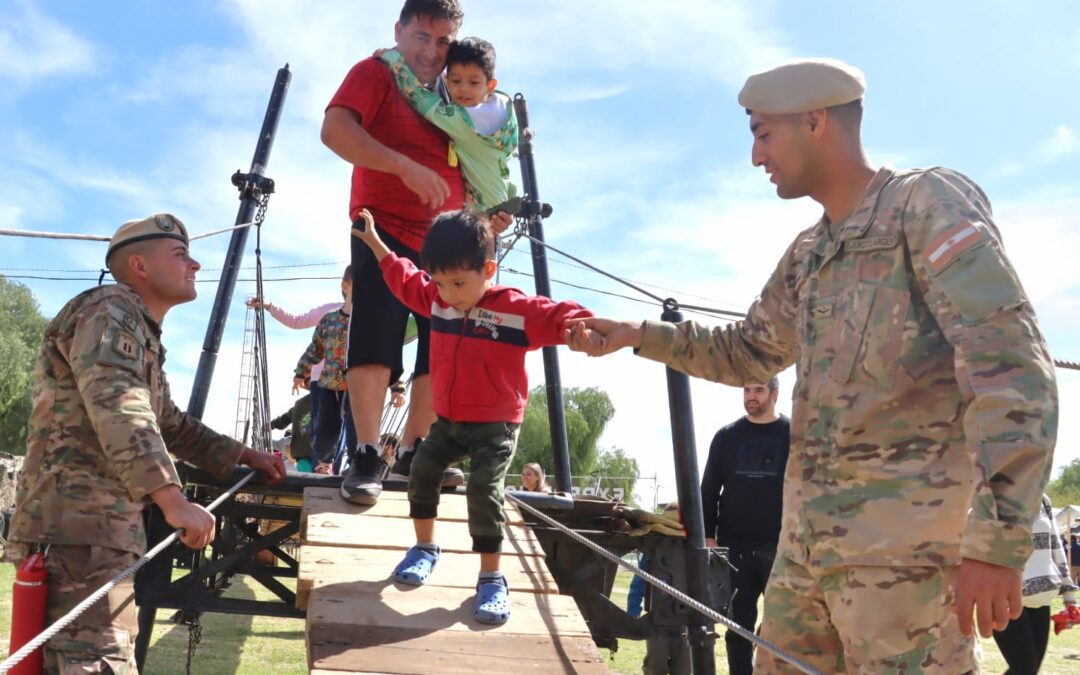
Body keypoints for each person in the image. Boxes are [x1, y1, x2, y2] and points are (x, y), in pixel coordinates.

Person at [565, 58, 1058, 672]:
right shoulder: (809, 253)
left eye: (763, 133)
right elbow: (747, 350)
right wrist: (641, 334)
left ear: (816, 121)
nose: (755, 156)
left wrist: (998, 540)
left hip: (905, 570)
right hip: (804, 570)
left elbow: (1012, 369)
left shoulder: (924, 206)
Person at [3, 214, 286, 672]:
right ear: (139, 264)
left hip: (98, 530)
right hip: (77, 531)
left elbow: (169, 423)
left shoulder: (137, 327)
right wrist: (174, 501)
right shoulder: (109, 308)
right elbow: (119, 403)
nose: (195, 264)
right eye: (180, 255)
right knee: (98, 663)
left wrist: (244, 455)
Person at [351, 207, 591, 624]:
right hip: (448, 421)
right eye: (440, 282)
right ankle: (425, 548)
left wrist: (583, 326)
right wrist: (373, 240)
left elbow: (557, 315)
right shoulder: (438, 300)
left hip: (495, 425)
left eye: (459, 282)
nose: (447, 293)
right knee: (421, 469)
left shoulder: (513, 310)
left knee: (483, 488)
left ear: (489, 270)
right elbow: (403, 276)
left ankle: (491, 577)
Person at [322, 0, 485, 506]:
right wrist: (402, 167)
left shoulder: (460, 89)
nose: (432, 52)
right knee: (376, 332)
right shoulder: (375, 72)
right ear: (399, 30)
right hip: (381, 226)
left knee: (443, 343)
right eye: (421, 37)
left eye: (443, 41)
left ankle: (417, 452)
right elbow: (335, 130)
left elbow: (485, 156)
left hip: (448, 237)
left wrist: (488, 211)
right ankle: (368, 454)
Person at [700, 378, 789, 675]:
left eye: (759, 390)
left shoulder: (792, 435)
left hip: (781, 548)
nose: (752, 397)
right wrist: (708, 536)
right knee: (738, 627)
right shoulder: (727, 437)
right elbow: (709, 489)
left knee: (785, 628)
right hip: (734, 548)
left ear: (775, 393)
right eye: (747, 390)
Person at [379, 36, 518, 211]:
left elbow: (420, 99)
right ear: (447, 80)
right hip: (499, 196)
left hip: (482, 213)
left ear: (490, 85)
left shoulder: (464, 121)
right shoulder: (504, 108)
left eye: (473, 82)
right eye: (456, 81)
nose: (464, 89)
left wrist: (394, 61)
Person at [993, 494, 1071, 674]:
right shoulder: (992, 494)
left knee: (1028, 670)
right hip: (1006, 598)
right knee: (1025, 670)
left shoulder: (1043, 500)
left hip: (1041, 598)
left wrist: (1068, 594)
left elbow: (1055, 544)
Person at [294, 266, 359, 475]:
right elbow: (316, 349)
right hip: (330, 383)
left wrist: (397, 386)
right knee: (326, 426)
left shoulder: (369, 322)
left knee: (357, 424)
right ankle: (324, 463)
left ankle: (358, 462)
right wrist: (301, 371)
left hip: (359, 385)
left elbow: (381, 355)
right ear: (345, 286)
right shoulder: (329, 320)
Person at [627, 502, 691, 675]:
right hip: (657, 620)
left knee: (684, 667)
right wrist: (633, 609)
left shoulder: (691, 552)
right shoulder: (652, 554)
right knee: (656, 664)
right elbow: (639, 582)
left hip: (685, 622)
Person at [271, 394, 313, 472]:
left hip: (302, 457)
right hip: (323, 456)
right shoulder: (331, 402)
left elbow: (283, 420)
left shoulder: (300, 404)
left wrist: (271, 425)